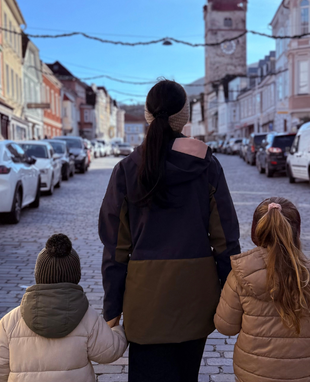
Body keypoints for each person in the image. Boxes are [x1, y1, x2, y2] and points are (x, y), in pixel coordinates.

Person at [99, 80, 240, 382]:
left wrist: (112, 307)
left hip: (144, 300)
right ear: (184, 117)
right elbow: (226, 240)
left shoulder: (126, 170)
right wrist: (233, 296)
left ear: (148, 116)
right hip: (196, 297)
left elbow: (115, 247)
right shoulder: (208, 166)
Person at [214, 197, 310, 382]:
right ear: (296, 232)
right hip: (302, 374)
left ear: (256, 232)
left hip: (253, 373)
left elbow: (225, 327)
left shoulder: (240, 275)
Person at [0, 234, 128, 382]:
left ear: (38, 275)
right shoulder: (88, 318)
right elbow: (110, 351)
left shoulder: (10, 321)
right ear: (75, 276)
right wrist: (118, 329)